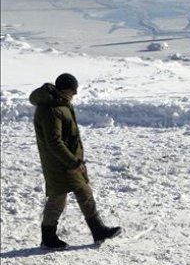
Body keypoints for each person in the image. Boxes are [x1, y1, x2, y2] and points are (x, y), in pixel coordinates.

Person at [30, 73, 122, 250]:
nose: (75, 94)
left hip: (68, 161)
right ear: (65, 89)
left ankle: (98, 230)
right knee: (57, 199)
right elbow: (54, 142)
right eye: (73, 90)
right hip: (58, 163)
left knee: (84, 192)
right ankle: (48, 237)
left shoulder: (60, 103)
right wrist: (73, 162)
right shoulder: (50, 109)